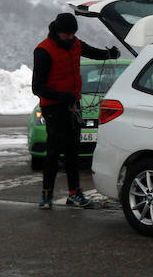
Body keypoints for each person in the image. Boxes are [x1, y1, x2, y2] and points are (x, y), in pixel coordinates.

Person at [32, 12, 119, 209]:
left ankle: (75, 194)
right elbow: (37, 87)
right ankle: (46, 196)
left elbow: (93, 52)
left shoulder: (75, 44)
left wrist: (109, 54)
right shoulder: (43, 50)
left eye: (73, 34)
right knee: (54, 152)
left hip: (73, 106)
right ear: (57, 31)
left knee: (73, 152)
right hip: (53, 107)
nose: (71, 38)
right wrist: (61, 96)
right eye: (67, 35)